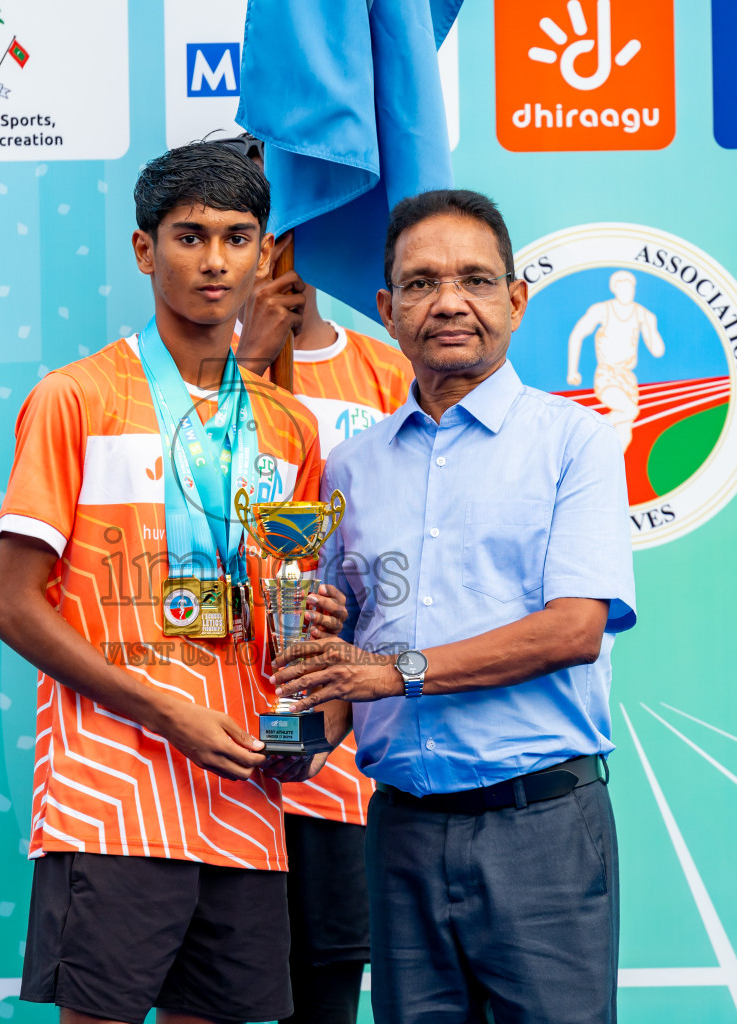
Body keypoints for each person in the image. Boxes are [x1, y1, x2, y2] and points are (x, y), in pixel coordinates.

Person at [0, 142, 345, 1024]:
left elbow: (289, 607)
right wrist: (163, 711)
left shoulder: (290, 426)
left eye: (237, 237)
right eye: (189, 236)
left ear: (266, 253)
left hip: (244, 795)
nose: (215, 261)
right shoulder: (75, 398)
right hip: (114, 793)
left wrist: (314, 707)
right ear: (146, 250)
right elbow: (11, 604)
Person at [273, 189, 637, 1024]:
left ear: (515, 301)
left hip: (538, 824)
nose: (448, 302)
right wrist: (291, 741)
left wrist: (391, 673)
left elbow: (575, 630)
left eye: (475, 280)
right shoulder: (349, 469)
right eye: (421, 282)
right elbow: (341, 664)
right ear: (386, 310)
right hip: (400, 834)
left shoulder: (573, 444)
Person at [237, 238, 413, 1024]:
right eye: (249, 233)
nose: (269, 253)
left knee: (327, 985)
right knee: (218, 986)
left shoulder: (387, 375)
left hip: (335, 757)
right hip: (212, 745)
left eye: (284, 226)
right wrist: (245, 362)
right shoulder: (174, 385)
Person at [565, 268, 665, 451]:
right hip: (607, 375)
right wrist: (573, 370)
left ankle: (613, 473)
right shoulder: (602, 310)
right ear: (615, 289)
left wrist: (651, 326)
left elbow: (657, 351)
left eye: (630, 287)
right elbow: (577, 335)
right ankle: (585, 434)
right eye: (622, 287)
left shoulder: (642, 314)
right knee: (629, 411)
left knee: (624, 432)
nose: (627, 291)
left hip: (628, 378)